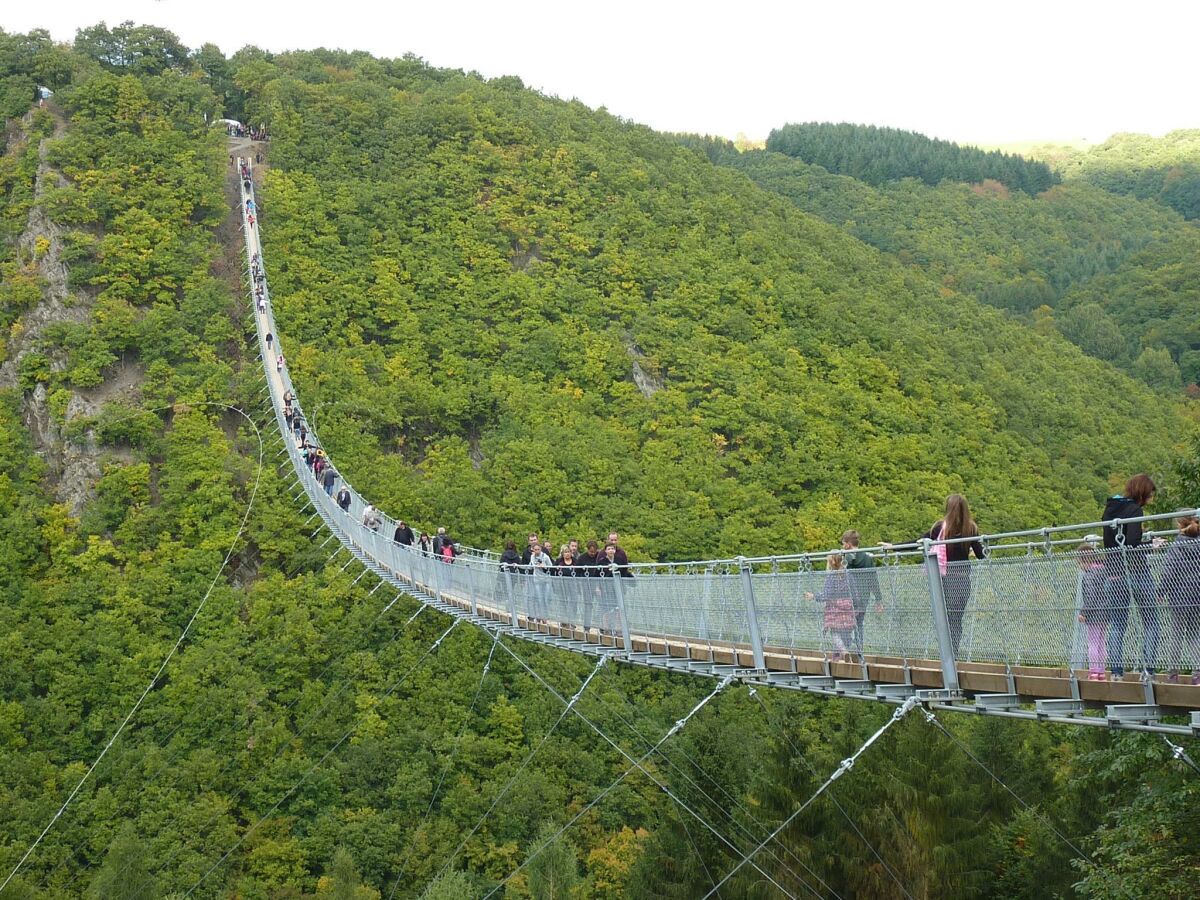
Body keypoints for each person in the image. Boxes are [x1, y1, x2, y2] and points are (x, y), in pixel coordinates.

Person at [1102, 474, 1163, 678]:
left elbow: (1116, 543)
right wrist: (1151, 545)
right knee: (1152, 621)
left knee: (1118, 625)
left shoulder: (1109, 510)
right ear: (1143, 492)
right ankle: (1148, 670)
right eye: (1150, 495)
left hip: (1113, 573)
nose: (1150, 500)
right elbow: (1132, 544)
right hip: (1136, 572)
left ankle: (1116, 672)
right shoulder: (1135, 510)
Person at [1161, 515, 1200, 685]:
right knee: (1194, 635)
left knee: (1176, 635)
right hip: (1196, 596)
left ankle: (1173, 674)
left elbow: (1169, 570)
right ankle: (1198, 673)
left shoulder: (1177, 545)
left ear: (1179, 524)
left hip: (1179, 597)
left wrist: (1161, 591)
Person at [806, 553, 857, 661]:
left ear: (831, 563)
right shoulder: (849, 575)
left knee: (835, 632)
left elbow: (827, 594)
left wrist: (814, 596)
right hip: (847, 607)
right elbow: (854, 592)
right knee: (847, 632)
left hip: (834, 608)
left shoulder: (832, 576)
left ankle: (843, 651)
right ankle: (840, 656)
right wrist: (856, 605)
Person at [842, 530, 882, 653]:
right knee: (859, 623)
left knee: (844, 623)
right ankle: (860, 650)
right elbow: (873, 578)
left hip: (848, 596)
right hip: (863, 596)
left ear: (848, 544)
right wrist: (878, 599)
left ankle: (846, 648)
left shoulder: (845, 559)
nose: (842, 546)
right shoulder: (867, 558)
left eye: (843, 543)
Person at [1077, 544, 1109, 680]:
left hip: (1094, 614)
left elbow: (1090, 596)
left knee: (1092, 642)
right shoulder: (1104, 571)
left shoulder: (1089, 575)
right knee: (1102, 641)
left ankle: (1094, 671)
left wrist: (1084, 612)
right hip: (1105, 612)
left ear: (1084, 561)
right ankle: (1101, 671)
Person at [529, 543, 553, 622]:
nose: (537, 551)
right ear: (533, 550)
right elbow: (531, 566)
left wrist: (544, 566)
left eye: (538, 549)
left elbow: (551, 567)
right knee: (540, 598)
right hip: (537, 580)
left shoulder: (545, 557)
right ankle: (542, 616)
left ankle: (545, 614)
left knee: (546, 598)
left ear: (541, 549)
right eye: (535, 550)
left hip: (546, 579)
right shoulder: (532, 557)